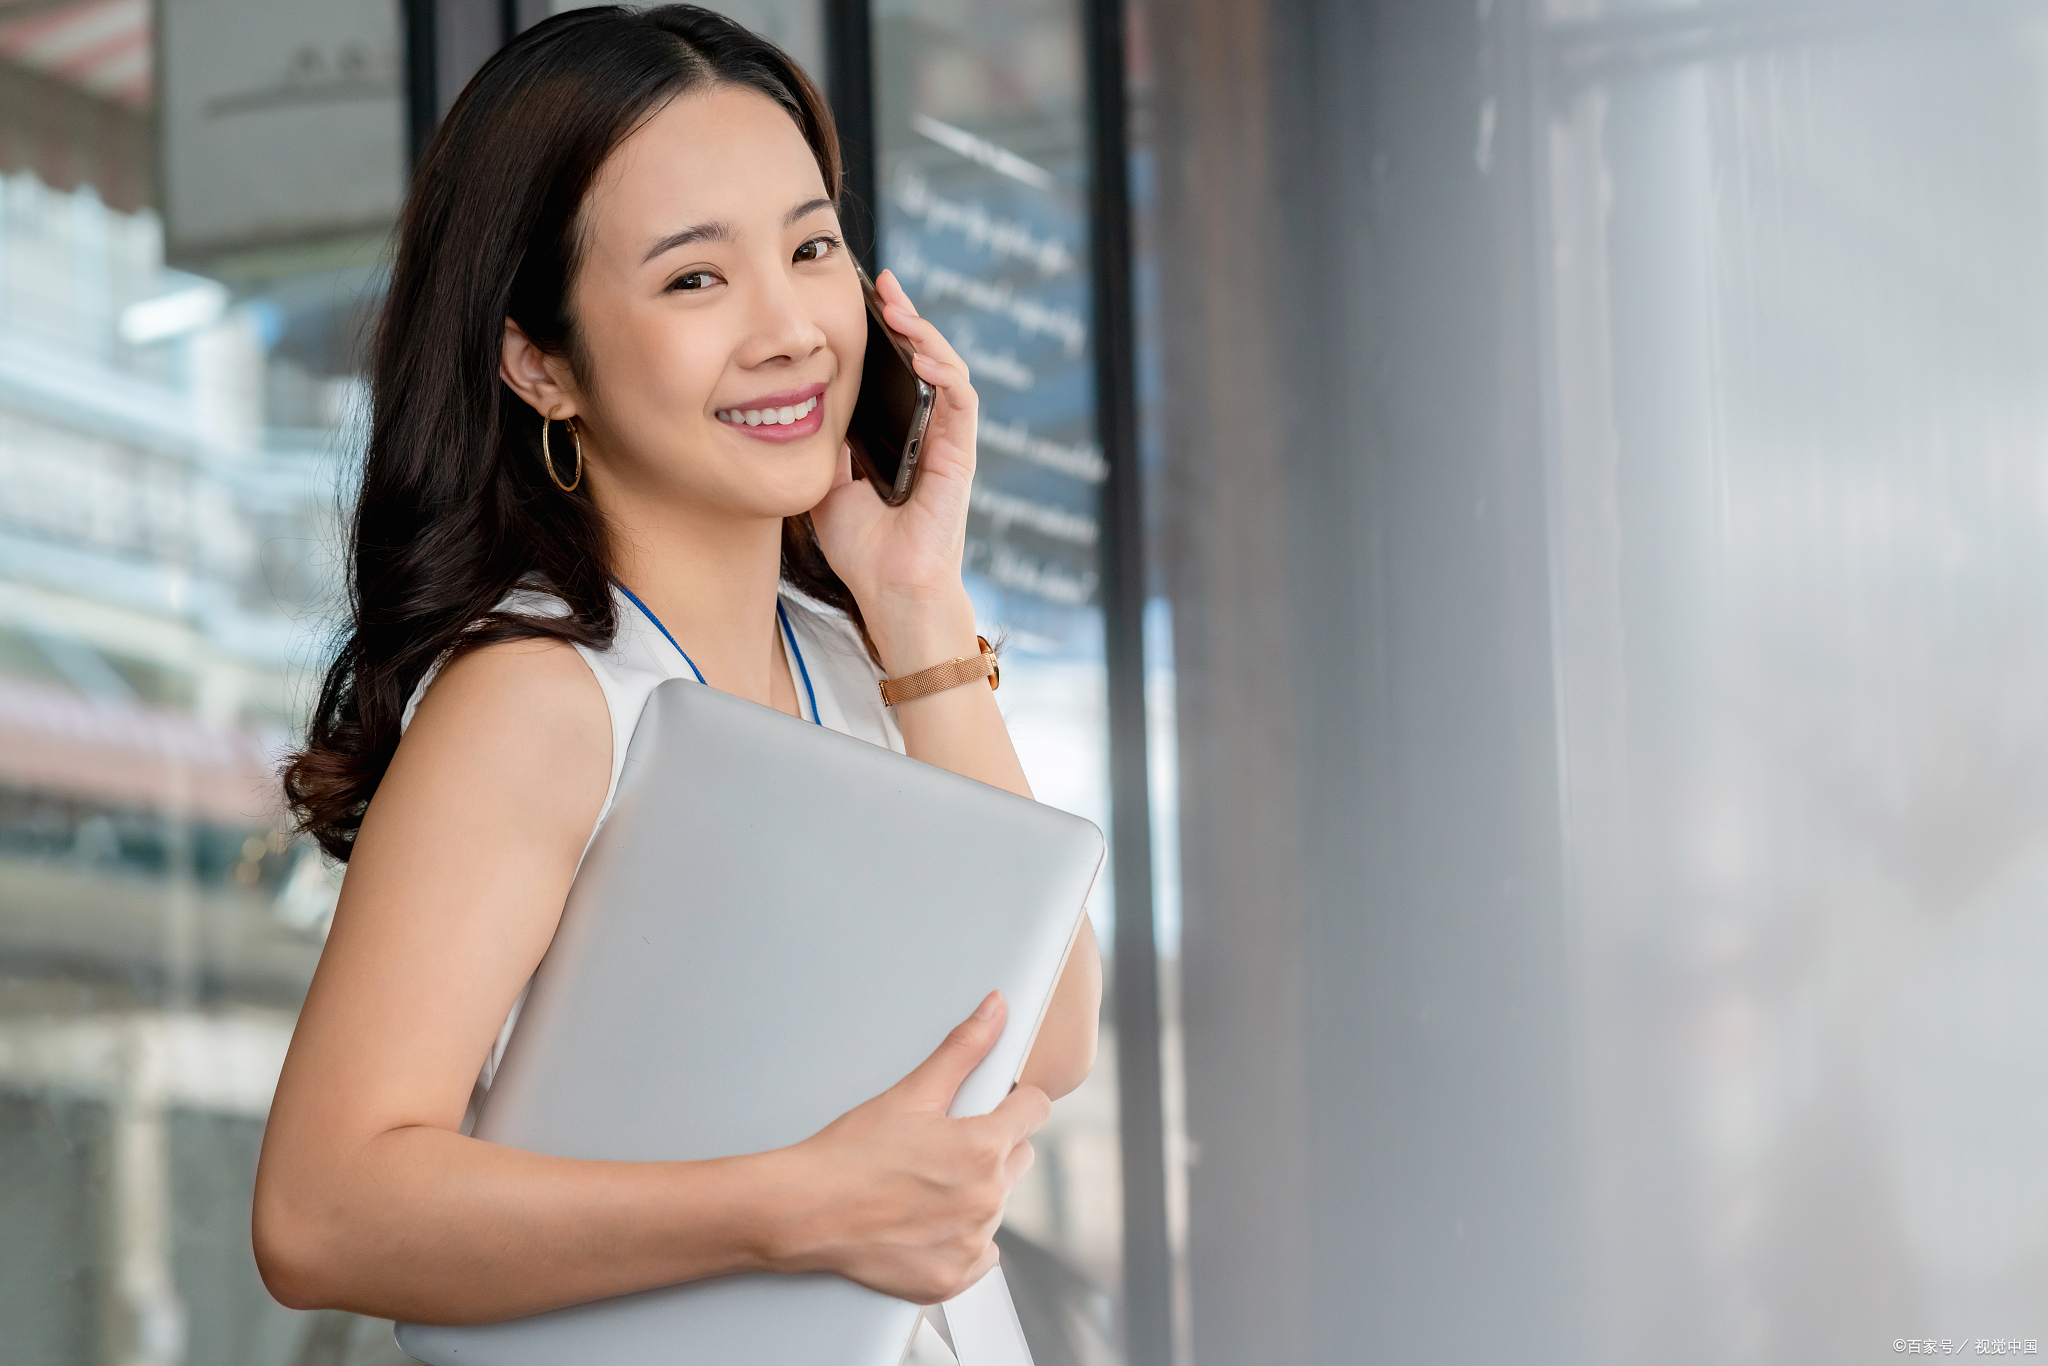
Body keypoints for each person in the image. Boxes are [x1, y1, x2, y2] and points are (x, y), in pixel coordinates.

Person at [252, 5, 1100, 1328]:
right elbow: (321, 1210)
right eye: (695, 278)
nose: (791, 329)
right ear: (540, 361)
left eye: (812, 246)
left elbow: (1048, 1037)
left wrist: (916, 600)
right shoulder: (542, 696)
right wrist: (797, 1202)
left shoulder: (851, 647)